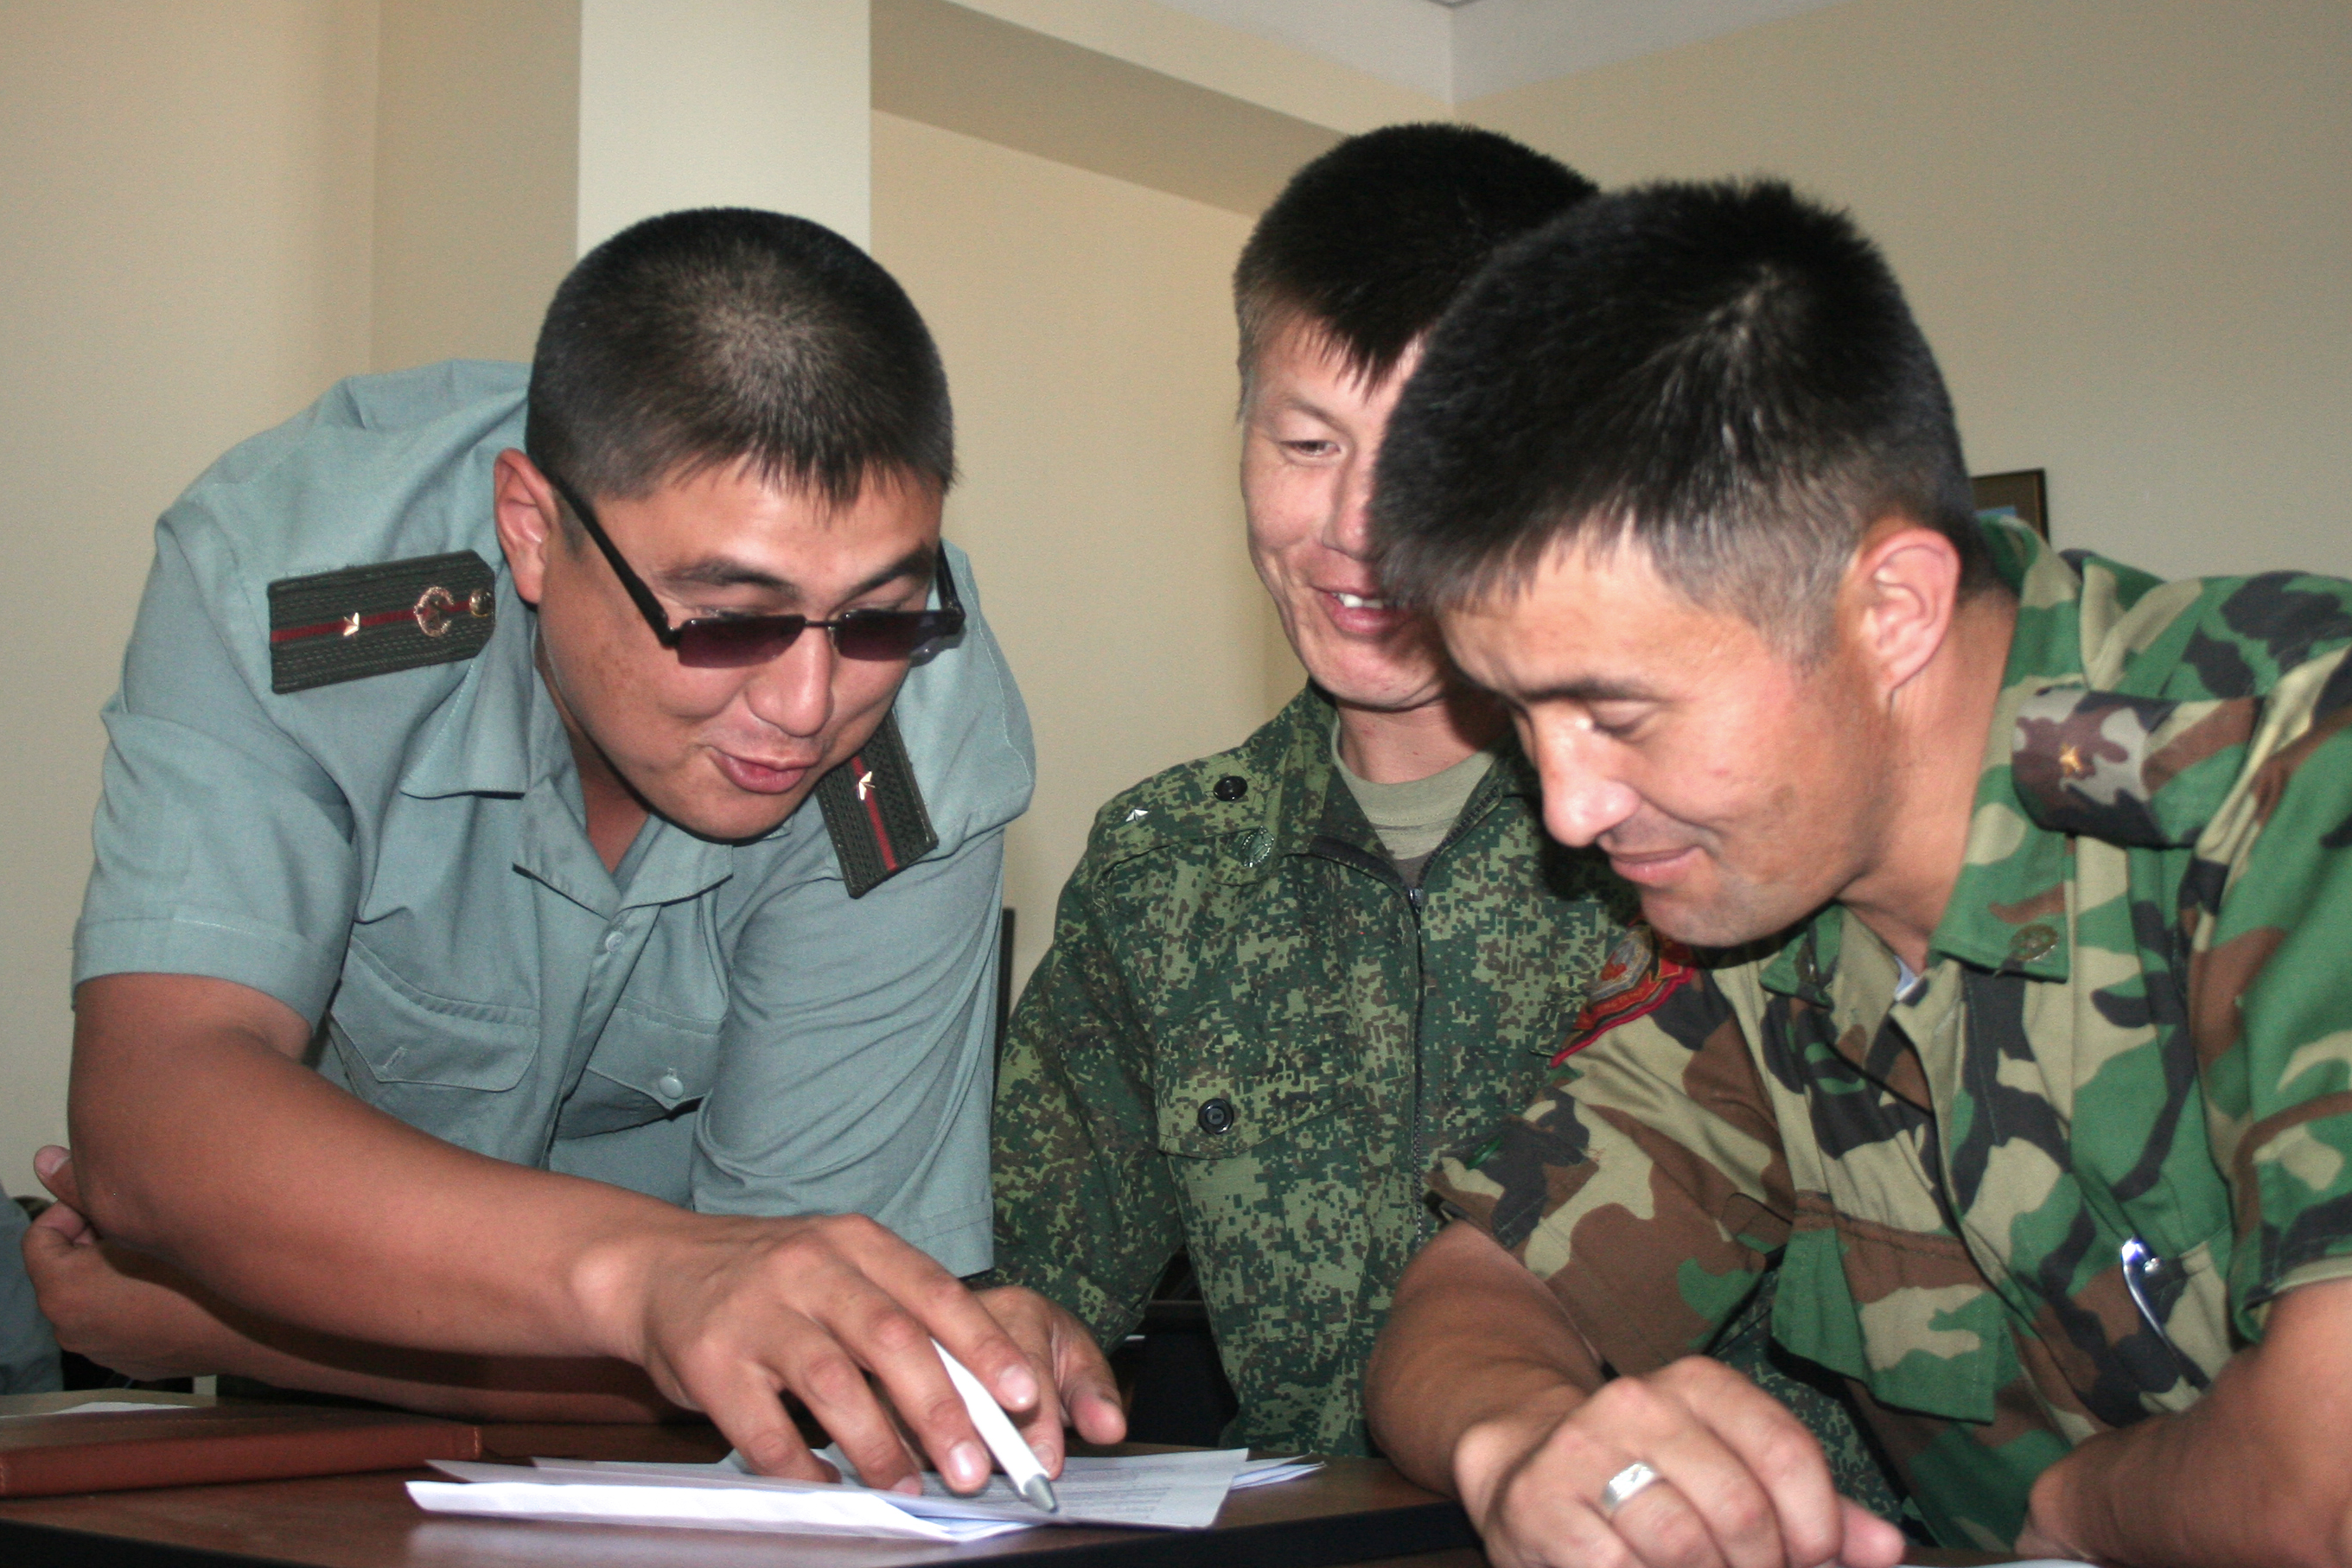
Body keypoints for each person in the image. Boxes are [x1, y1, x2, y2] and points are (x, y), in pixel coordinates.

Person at [24, 207, 1121, 1493]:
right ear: (533, 531)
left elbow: (790, 1381)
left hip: (571, 1431)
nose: (809, 704)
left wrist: (219, 1325)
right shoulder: (297, 584)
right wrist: (658, 1281)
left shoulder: (926, 720)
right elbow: (156, 1113)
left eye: (878, 616)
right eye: (728, 621)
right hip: (313, 1449)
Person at [1364, 175, 2352, 1568]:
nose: (1568, 809)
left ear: (1889, 610)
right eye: (1518, 715)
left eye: (1617, 712)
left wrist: (2071, 1514)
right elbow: (1472, 1286)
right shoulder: (1771, 920)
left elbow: (2326, 1481)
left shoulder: (2294, 763)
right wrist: (1525, 1439)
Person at [981, 124, 1629, 1459]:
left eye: (1438, 449)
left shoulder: (1684, 837)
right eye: (1306, 441)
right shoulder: (1164, 869)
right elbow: (1033, 1266)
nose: (1357, 527)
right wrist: (1005, 1339)